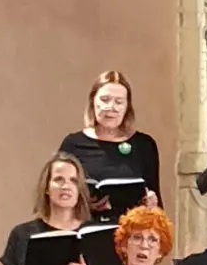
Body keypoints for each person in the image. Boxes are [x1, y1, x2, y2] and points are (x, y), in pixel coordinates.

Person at [57, 70, 161, 218]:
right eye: (105, 100)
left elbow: (155, 196)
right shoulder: (73, 144)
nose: (111, 107)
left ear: (127, 107)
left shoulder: (144, 145)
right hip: (86, 229)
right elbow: (56, 195)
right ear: (93, 102)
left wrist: (151, 203)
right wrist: (84, 204)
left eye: (119, 102)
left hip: (131, 233)